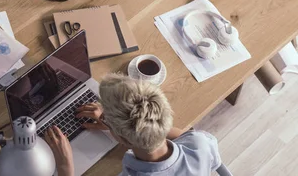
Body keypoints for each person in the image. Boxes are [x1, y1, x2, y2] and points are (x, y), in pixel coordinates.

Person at [44, 74, 222, 176]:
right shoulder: (200, 144)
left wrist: (65, 166)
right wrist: (127, 127)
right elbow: (184, 136)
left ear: (123, 140)